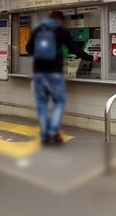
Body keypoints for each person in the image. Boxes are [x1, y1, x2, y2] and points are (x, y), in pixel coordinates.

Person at [26, 11, 99, 143]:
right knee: (59, 101)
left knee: (42, 105)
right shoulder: (61, 31)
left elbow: (28, 49)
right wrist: (91, 57)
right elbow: (74, 49)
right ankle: (54, 131)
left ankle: (44, 135)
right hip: (54, 74)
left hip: (39, 74)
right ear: (60, 20)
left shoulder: (37, 30)